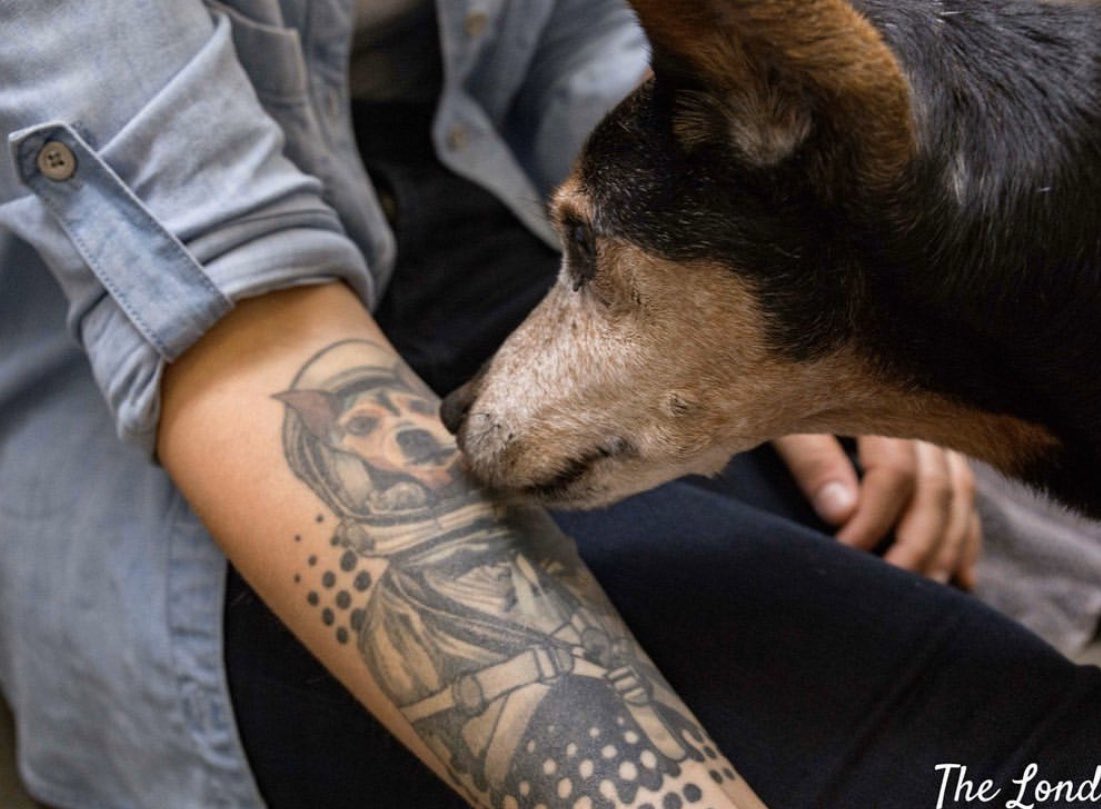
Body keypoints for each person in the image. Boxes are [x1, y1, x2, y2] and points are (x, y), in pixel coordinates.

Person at [0, 2, 1097, 808]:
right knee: (1012, 761)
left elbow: (588, 50)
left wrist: (807, 302)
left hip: (483, 205)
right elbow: (220, 302)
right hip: (208, 420)